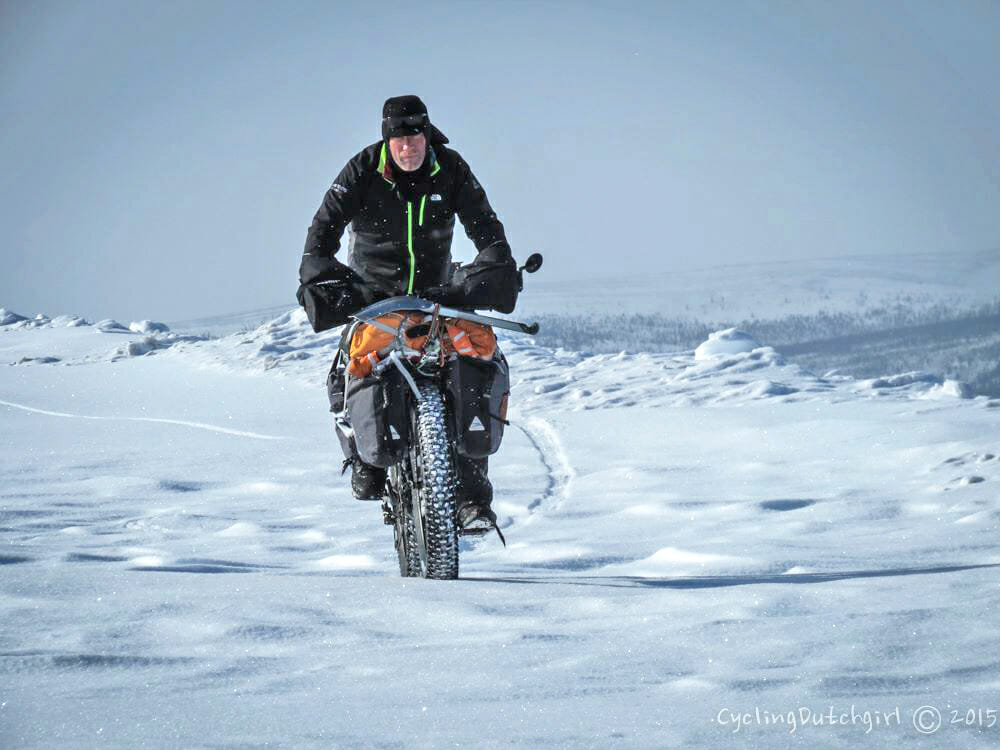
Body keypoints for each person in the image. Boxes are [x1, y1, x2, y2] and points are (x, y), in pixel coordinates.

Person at [297, 95, 519, 530]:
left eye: (414, 135)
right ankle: (367, 462)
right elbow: (323, 227)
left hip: (439, 292)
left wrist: (496, 261)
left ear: (427, 133)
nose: (407, 146)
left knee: (473, 360)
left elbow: (485, 225)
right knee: (353, 367)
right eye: (398, 137)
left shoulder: (450, 168)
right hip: (373, 294)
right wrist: (318, 269)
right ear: (387, 138)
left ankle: (473, 500)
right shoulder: (362, 169)